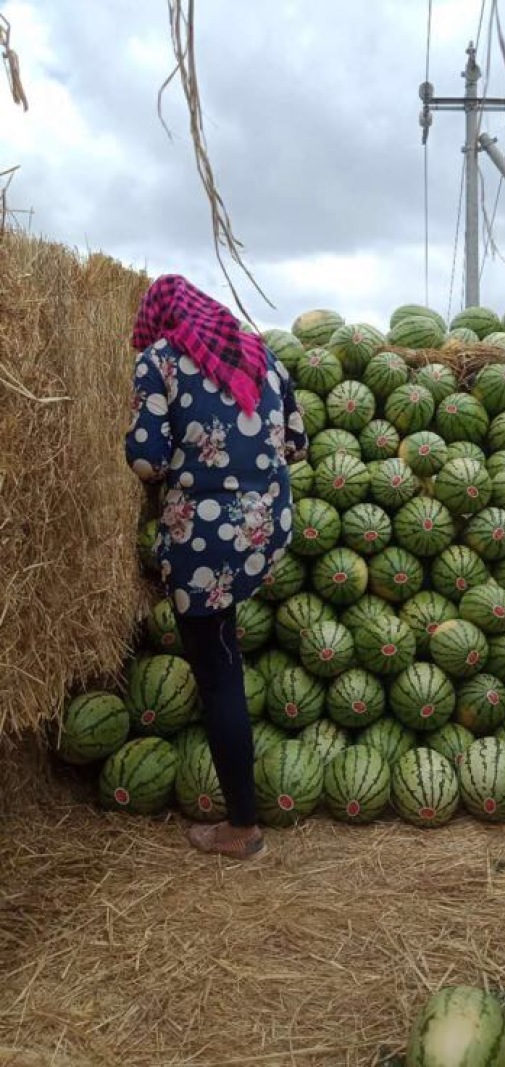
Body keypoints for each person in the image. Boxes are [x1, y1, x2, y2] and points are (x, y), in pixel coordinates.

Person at [125, 274, 308, 860]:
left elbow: (146, 461)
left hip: (205, 535)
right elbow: (298, 444)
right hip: (269, 525)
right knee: (224, 645)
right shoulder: (265, 357)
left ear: (162, 317)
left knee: (218, 673)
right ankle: (244, 813)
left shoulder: (162, 358)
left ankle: (242, 828)